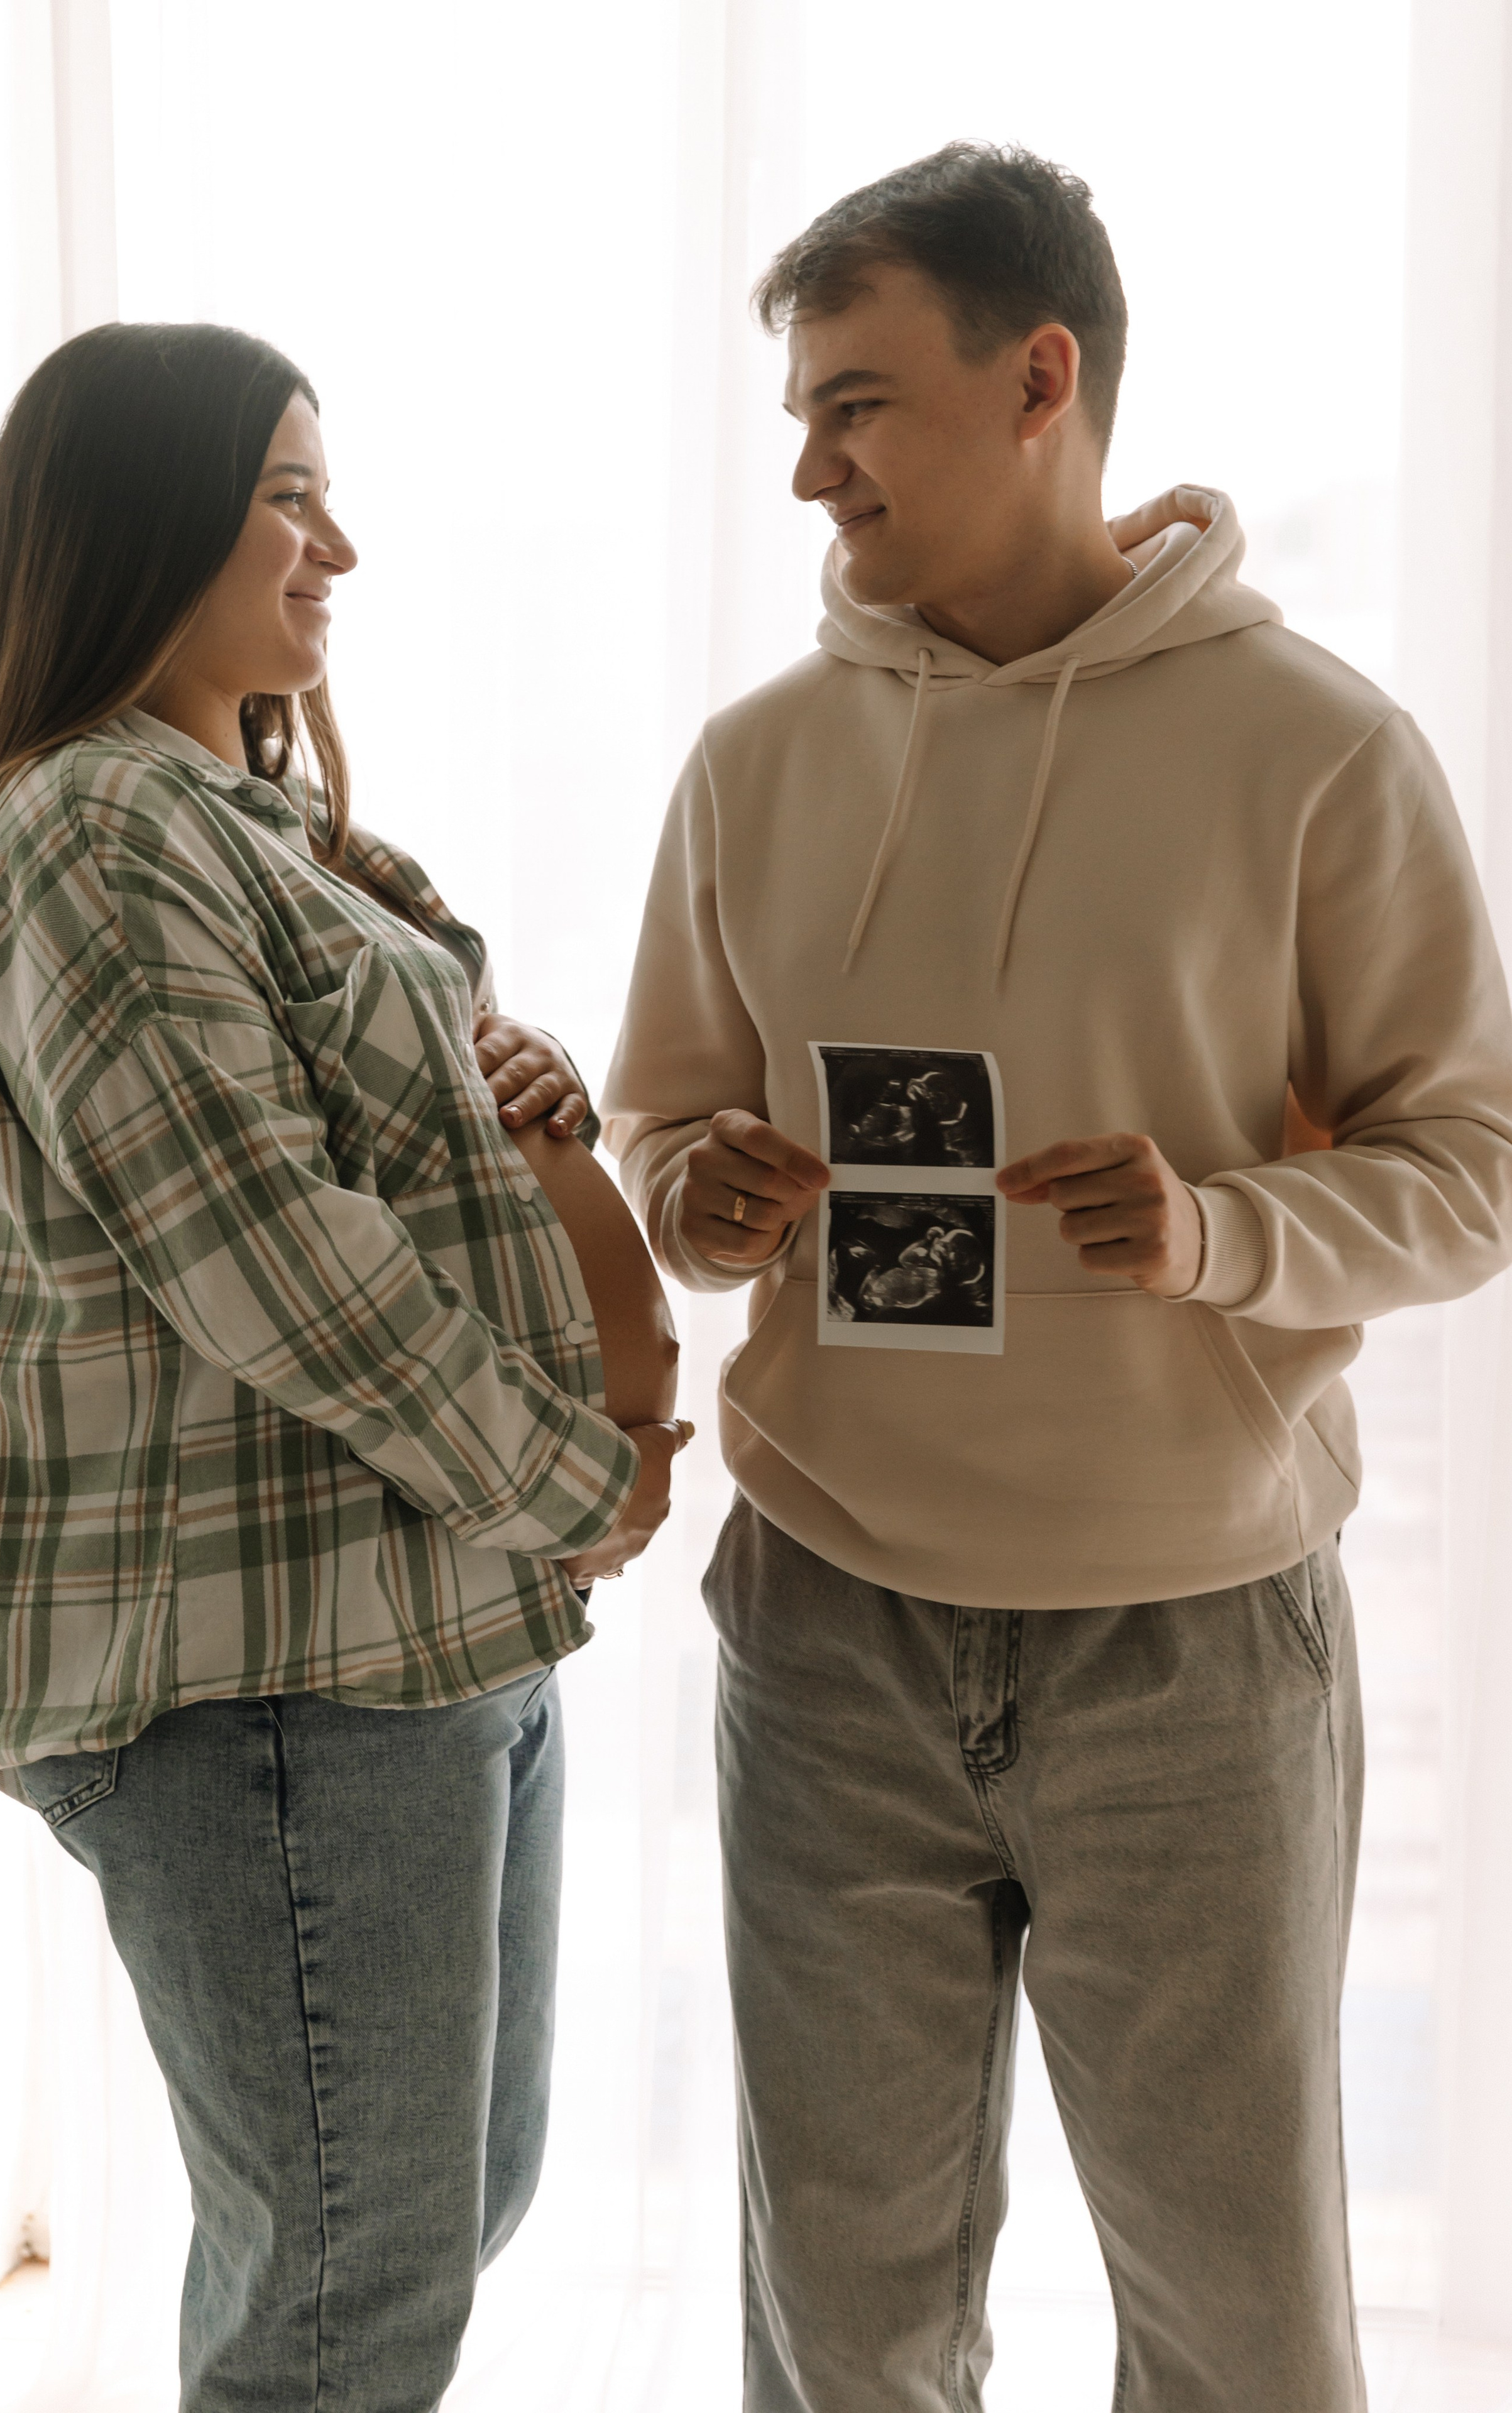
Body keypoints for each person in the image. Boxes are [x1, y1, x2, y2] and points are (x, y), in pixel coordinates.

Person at [603, 143, 1512, 2412]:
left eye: (857, 405)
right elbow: (654, 1120)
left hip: (1191, 1655)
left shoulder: (1320, 753)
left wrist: (1227, 1233)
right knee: (845, 2328)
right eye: (799, 413)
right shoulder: (756, 765)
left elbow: (1474, 1164)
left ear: (1042, 379)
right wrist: (695, 1196)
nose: (809, 470)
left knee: (1238, 2335)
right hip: (826, 1634)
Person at [0, 321, 687, 2411]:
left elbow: (364, 1160)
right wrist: (574, 1474)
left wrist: (505, 1077)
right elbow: (268, 1258)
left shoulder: (249, 822)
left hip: (419, 1632)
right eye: (286, 494)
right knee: (349, 2304)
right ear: (139, 521)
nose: (335, 543)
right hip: (277, 1675)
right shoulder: (97, 832)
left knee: (421, 2231)